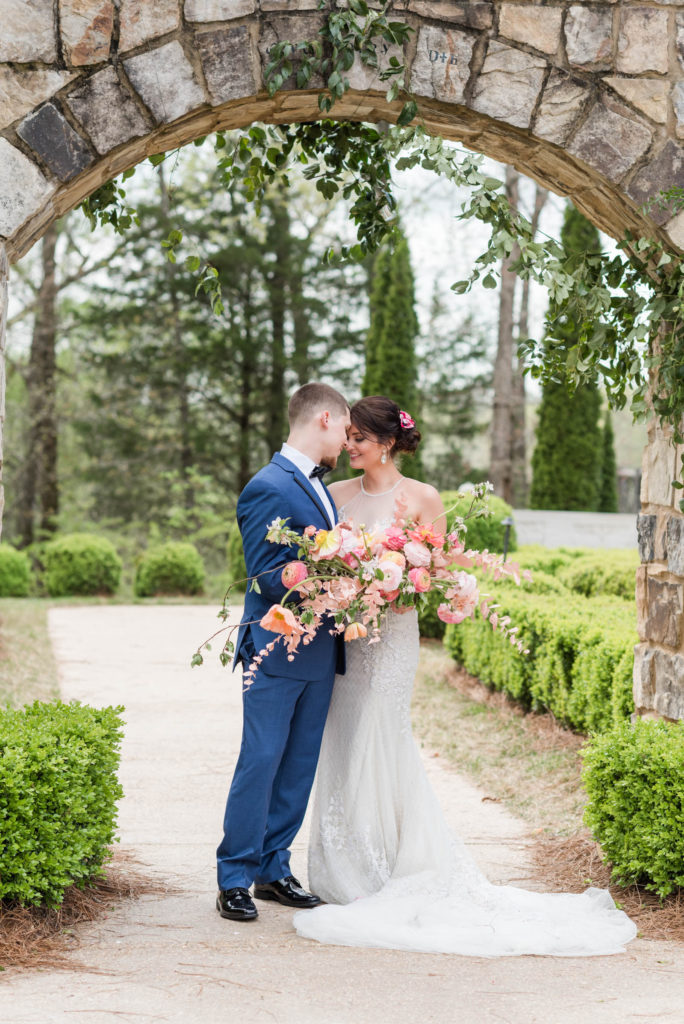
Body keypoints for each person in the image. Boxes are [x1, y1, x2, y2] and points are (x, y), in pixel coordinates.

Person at [294, 394, 636, 956]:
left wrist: (399, 587)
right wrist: (347, 588)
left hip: (393, 641)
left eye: (358, 437)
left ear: (385, 441)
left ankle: (387, 867)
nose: (348, 445)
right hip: (348, 643)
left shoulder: (423, 498)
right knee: (343, 738)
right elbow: (327, 566)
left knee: (383, 738)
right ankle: (342, 866)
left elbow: (437, 572)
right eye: (347, 436)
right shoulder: (336, 497)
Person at [216, 382, 350, 922]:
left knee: (298, 764)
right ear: (323, 418)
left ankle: (274, 868)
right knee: (262, 759)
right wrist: (334, 576)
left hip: (321, 650)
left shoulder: (323, 487)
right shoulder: (267, 485)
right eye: (344, 426)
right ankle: (234, 876)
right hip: (276, 647)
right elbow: (266, 573)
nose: (347, 437)